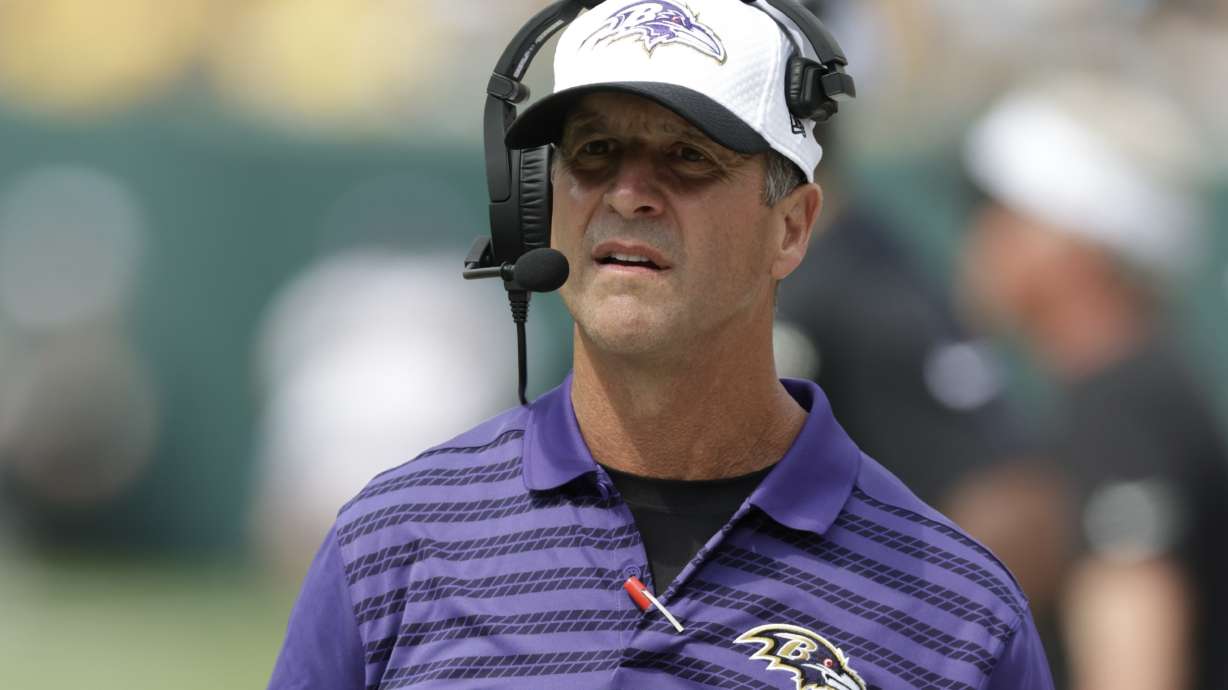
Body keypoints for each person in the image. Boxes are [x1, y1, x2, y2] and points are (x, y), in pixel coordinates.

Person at [268, 1, 1053, 688]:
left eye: (688, 156)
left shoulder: (962, 615)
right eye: (594, 152)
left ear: (791, 227)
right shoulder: (391, 546)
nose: (629, 193)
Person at [960, 72, 1228, 690]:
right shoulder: (1136, 390)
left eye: (997, 207)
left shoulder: (1121, 407)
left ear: (1071, 244)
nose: (978, 233)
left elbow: (1135, 664)